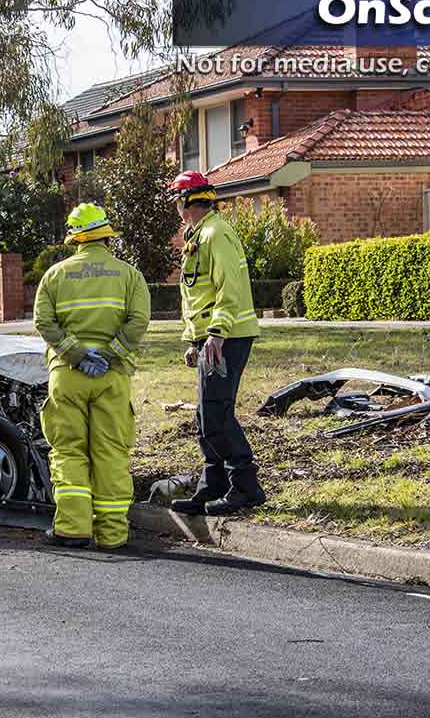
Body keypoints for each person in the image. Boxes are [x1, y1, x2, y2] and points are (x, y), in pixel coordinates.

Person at [34, 202, 151, 549]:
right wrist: (110, 355)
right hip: (111, 376)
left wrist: (77, 354)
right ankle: (113, 534)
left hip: (67, 376)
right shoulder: (129, 275)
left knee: (69, 450)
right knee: (111, 451)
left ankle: (72, 529)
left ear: (75, 238)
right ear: (106, 236)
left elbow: (44, 322)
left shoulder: (54, 276)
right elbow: (138, 321)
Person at [166, 171, 266, 516]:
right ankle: (213, 486)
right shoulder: (200, 233)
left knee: (216, 415)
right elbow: (199, 294)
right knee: (204, 415)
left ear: (184, 202)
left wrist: (216, 333)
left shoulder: (216, 233)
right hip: (213, 338)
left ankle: (246, 487)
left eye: (176, 202)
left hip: (228, 337)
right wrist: (194, 339)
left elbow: (230, 286)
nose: (176, 210)